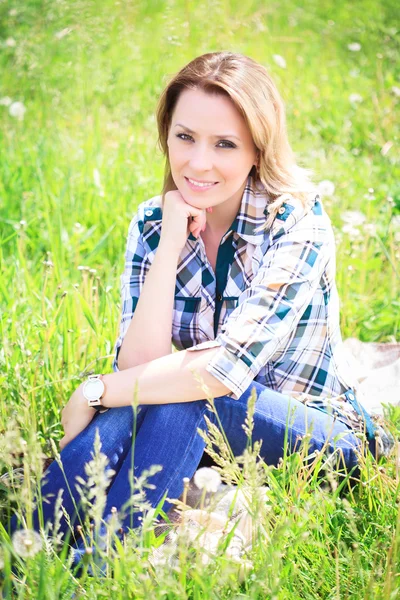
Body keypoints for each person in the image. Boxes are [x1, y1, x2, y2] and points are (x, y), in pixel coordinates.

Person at [10, 51, 380, 548]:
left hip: (315, 435)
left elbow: (218, 373)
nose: (198, 162)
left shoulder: (296, 222)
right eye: (185, 137)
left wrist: (92, 392)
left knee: (187, 391)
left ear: (258, 151)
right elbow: (141, 365)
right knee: (165, 393)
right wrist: (169, 244)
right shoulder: (151, 221)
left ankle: (77, 556)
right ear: (167, 134)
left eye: (225, 144)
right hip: (198, 431)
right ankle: (32, 552)